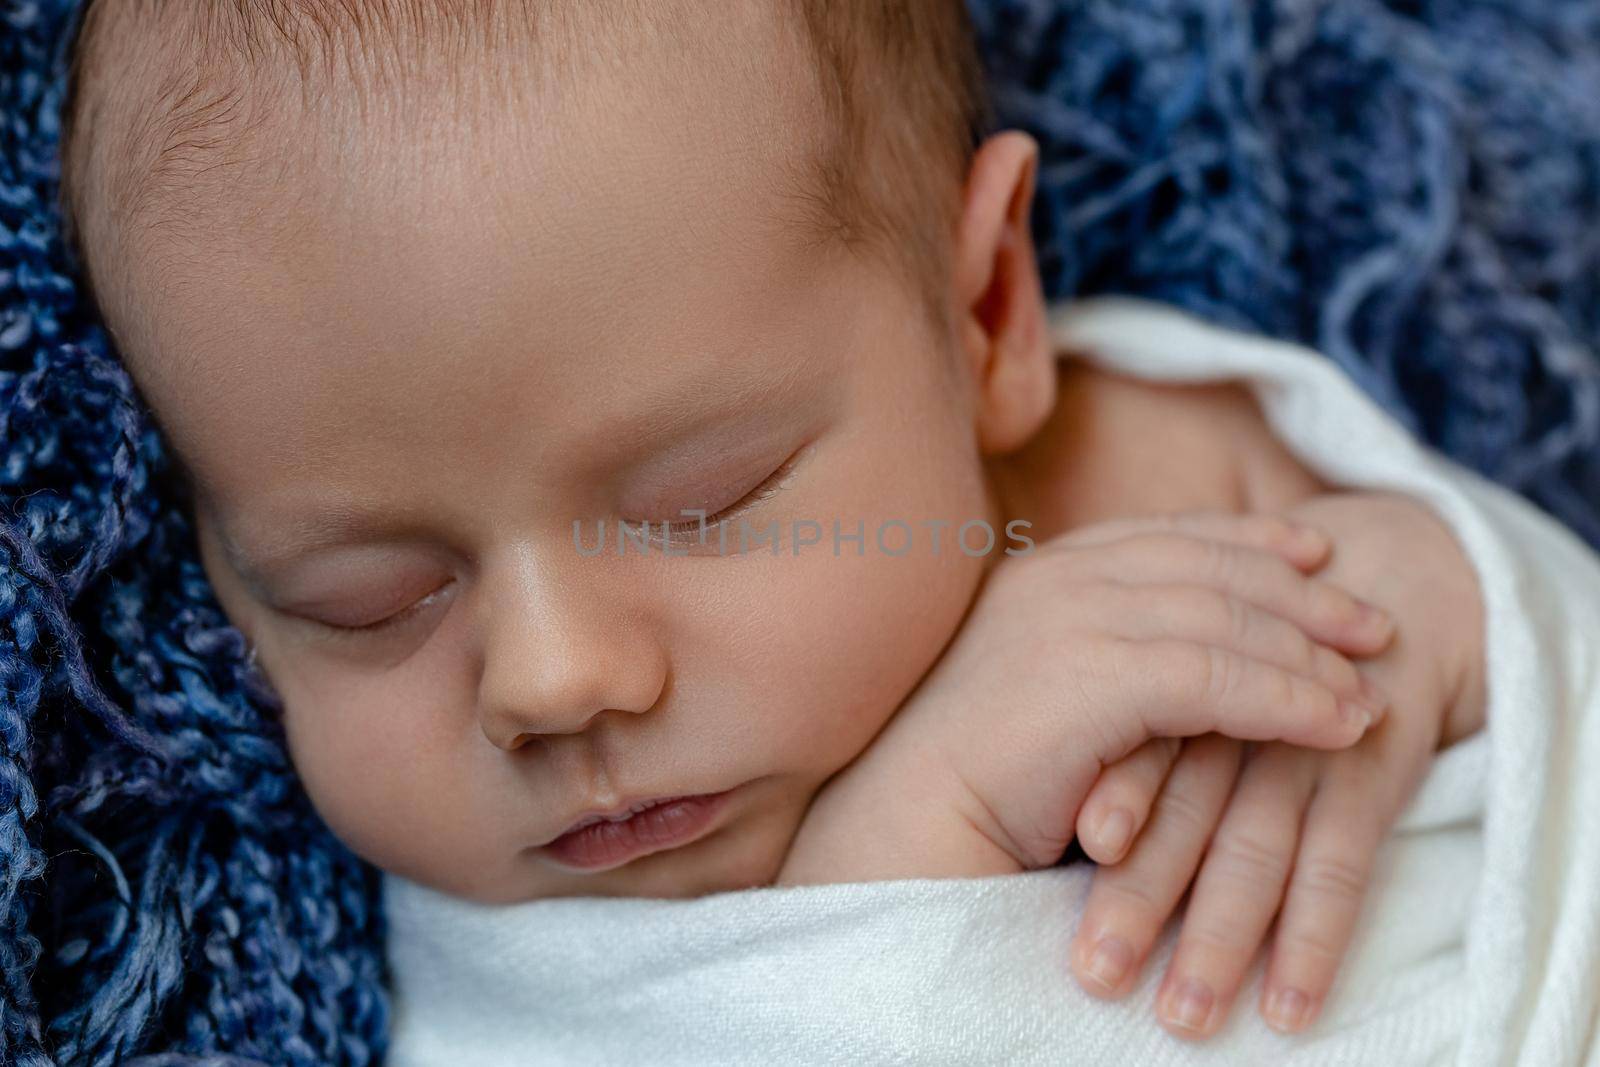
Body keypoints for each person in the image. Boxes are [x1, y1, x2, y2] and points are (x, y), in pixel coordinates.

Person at [56, 0, 1484, 1044]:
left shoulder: (1176, 454)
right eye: (364, 599)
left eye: (704, 501)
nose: (553, 682)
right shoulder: (480, 977)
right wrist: (920, 829)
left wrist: (1428, 614)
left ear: (983, 314)